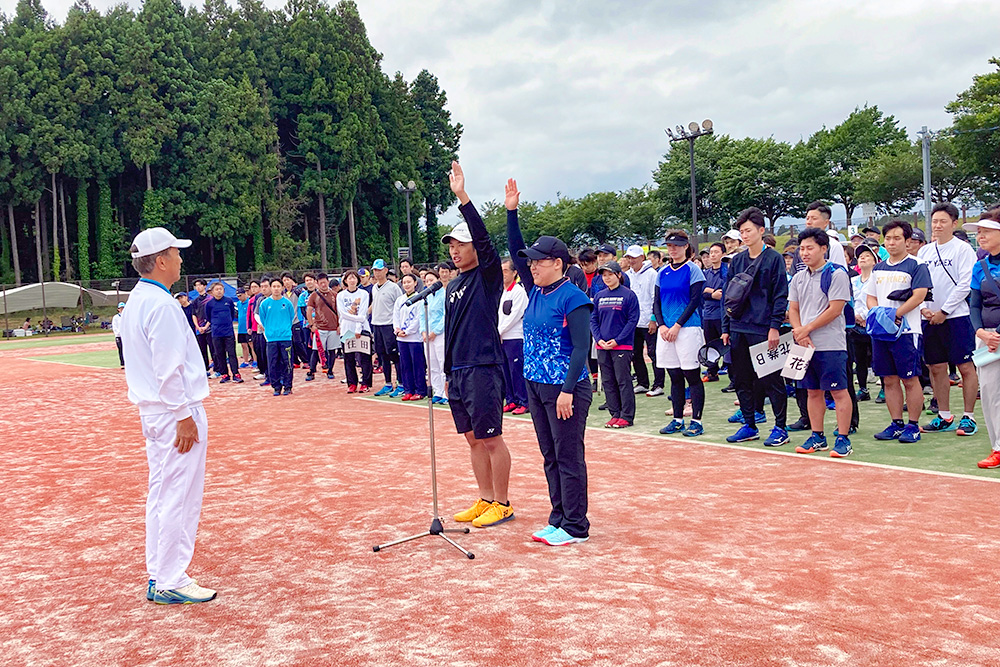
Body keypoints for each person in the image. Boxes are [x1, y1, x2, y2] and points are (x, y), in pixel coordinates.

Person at [120, 227, 216, 604]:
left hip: (155, 412)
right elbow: (168, 368)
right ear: (160, 260)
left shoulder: (139, 300)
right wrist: (183, 415)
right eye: (176, 253)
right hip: (174, 411)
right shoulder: (160, 305)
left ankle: (160, 572)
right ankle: (171, 578)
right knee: (179, 494)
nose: (180, 259)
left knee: (162, 493)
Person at [507, 177, 593, 546]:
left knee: (568, 456)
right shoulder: (536, 289)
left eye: (539, 262)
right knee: (550, 455)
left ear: (557, 263)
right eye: (531, 264)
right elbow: (514, 250)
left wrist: (568, 390)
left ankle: (576, 526)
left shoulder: (572, 297)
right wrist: (512, 212)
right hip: (536, 383)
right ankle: (558, 517)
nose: (532, 268)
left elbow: (579, 348)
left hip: (566, 388)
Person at [443, 163, 514, 530]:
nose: (455, 251)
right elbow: (451, 331)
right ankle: (484, 497)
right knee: (472, 439)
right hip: (458, 372)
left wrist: (462, 197)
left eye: (461, 244)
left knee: (491, 438)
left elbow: (486, 241)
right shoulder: (453, 286)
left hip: (484, 367)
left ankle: (502, 503)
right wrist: (446, 373)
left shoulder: (487, 277)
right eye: (451, 245)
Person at [721, 207, 790, 446]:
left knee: (771, 380)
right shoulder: (737, 260)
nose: (745, 235)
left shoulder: (774, 259)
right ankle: (749, 424)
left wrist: (774, 326)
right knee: (742, 379)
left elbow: (781, 295)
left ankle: (780, 427)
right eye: (742, 231)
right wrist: (726, 327)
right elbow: (727, 298)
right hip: (738, 327)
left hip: (763, 328)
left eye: (748, 230)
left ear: (761, 231)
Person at [787, 228, 854, 457]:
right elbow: (793, 308)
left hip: (830, 344)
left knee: (838, 392)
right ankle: (817, 436)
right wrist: (799, 331)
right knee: (812, 392)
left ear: (823, 249)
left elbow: (835, 309)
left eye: (810, 248)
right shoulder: (798, 277)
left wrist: (807, 328)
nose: (804, 253)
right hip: (804, 345)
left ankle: (843, 439)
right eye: (802, 248)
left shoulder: (837, 274)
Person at [864, 220, 932, 443]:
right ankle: (896, 423)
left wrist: (896, 314)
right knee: (889, 379)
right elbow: (870, 296)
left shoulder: (917, 265)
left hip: (907, 332)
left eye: (897, 238)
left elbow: (919, 294)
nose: (891, 243)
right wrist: (879, 314)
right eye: (888, 238)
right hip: (881, 333)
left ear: (907, 240)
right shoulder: (879, 267)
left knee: (910, 379)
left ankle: (913, 425)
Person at [917, 203, 980, 435]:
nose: (937, 226)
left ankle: (969, 416)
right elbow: (919, 283)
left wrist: (944, 310)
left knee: (965, 366)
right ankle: (944, 415)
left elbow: (966, 283)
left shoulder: (963, 250)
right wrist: (924, 307)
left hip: (957, 317)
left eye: (943, 221)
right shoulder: (924, 252)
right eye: (934, 221)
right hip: (929, 319)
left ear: (954, 224)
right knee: (935, 367)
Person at [655, 231, 707, 438]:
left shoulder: (693, 270)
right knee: (674, 376)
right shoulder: (662, 272)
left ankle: (697, 421)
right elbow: (656, 301)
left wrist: (677, 325)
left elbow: (694, 301)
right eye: (669, 246)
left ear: (686, 246)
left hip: (688, 329)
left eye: (677, 245)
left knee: (692, 375)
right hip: (666, 331)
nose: (672, 249)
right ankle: (677, 419)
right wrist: (661, 325)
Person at [967, 213, 1000, 468]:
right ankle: (997, 448)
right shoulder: (980, 266)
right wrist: (981, 333)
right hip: (988, 340)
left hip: (996, 336)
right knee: (990, 393)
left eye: (986, 231)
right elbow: (975, 304)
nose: (981, 236)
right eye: (979, 232)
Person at [591, 260, 639, 428]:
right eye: (604, 275)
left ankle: (626, 415)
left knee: (623, 380)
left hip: (621, 346)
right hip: (602, 346)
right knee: (608, 381)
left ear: (619, 275)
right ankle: (615, 413)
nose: (607, 278)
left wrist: (617, 340)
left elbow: (632, 320)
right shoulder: (599, 296)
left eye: (610, 274)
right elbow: (593, 319)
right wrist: (599, 339)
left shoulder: (629, 295)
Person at [623, 245, 662, 397]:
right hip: (633, 321)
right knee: (635, 353)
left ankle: (658, 384)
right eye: (629, 257)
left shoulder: (652, 274)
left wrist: (654, 319)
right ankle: (642, 382)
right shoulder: (627, 275)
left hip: (648, 320)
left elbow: (655, 297)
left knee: (653, 352)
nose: (631, 260)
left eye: (634, 257)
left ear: (642, 258)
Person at [370, 259, 405, 397]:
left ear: (385, 270)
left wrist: (399, 325)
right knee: (382, 355)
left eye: (379, 270)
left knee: (394, 356)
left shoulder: (394, 287)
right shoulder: (374, 288)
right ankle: (388, 383)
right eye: (374, 270)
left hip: (389, 325)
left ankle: (401, 384)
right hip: (377, 325)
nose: (376, 273)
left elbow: (400, 305)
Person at [498, 260, 529, 414]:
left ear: (514, 273)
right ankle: (511, 400)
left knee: (517, 370)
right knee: (505, 371)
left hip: (515, 337)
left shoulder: (519, 292)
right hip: (501, 338)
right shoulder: (501, 292)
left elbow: (515, 315)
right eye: (501, 270)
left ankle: (524, 401)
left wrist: (500, 331)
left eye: (505, 270)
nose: (503, 274)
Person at [257, 277, 296, 396]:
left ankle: (288, 386)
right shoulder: (265, 303)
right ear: (270, 288)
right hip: (271, 338)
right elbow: (263, 319)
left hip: (285, 338)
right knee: (273, 363)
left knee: (287, 363)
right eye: (274, 286)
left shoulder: (287, 303)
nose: (276, 289)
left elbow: (291, 317)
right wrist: (270, 331)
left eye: (278, 286)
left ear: (282, 288)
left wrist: (284, 329)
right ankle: (276, 386)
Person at [337, 270, 373, 393]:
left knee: (365, 358)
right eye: (349, 278)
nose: (352, 280)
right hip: (346, 330)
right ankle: (352, 383)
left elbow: (363, 313)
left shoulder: (363, 294)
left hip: (362, 329)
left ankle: (366, 383)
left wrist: (358, 328)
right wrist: (357, 318)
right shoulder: (340, 295)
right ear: (345, 281)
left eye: (354, 278)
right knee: (348, 358)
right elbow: (342, 313)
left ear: (358, 280)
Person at [392, 272, 426, 400]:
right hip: (401, 338)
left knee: (417, 364)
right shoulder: (399, 300)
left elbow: (418, 318)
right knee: (405, 365)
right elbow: (395, 316)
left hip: (414, 338)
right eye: (404, 282)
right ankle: (408, 390)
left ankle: (420, 390)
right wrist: (398, 330)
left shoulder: (419, 298)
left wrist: (408, 331)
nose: (406, 285)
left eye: (409, 282)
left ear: (415, 283)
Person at [851, 243, 876, 402]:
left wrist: (866, 316)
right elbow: (849, 300)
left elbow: (878, 300)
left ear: (875, 261)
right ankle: (863, 388)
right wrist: (855, 316)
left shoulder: (878, 279)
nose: (863, 259)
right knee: (859, 359)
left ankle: (883, 390)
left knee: (876, 357)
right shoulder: (853, 280)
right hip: (856, 325)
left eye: (867, 256)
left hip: (873, 323)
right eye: (860, 257)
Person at [419, 269, 448, 405]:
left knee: (442, 363)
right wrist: (424, 331)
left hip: (440, 334)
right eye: (427, 281)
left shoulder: (445, 295)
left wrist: (435, 332)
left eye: (432, 280)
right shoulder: (426, 297)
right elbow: (421, 315)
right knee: (432, 365)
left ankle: (446, 393)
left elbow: (445, 316)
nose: (429, 283)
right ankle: (437, 391)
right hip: (427, 335)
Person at [204, 282, 241, 384]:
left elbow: (232, 314)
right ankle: (224, 374)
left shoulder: (228, 301)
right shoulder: (209, 304)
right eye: (216, 289)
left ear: (224, 291)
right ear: (212, 292)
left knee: (232, 353)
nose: (219, 291)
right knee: (219, 354)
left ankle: (236, 374)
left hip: (228, 332)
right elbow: (208, 317)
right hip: (216, 333)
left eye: (220, 289)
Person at [306, 273, 341, 381]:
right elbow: (309, 310)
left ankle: (330, 370)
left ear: (328, 282)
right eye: (320, 283)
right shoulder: (314, 296)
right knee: (316, 350)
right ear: (317, 283)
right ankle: (311, 371)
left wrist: (339, 325)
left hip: (333, 327)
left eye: (324, 282)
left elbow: (339, 310)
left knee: (331, 350)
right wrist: (311, 324)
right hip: (320, 328)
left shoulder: (335, 295)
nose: (323, 284)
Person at [701, 242, 727, 382]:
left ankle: (733, 375)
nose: (713, 255)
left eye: (716, 252)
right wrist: (712, 292)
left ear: (723, 254)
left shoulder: (726, 272)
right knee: (710, 344)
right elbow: (702, 291)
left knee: (726, 344)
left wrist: (710, 292)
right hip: (708, 315)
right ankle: (712, 372)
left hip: (722, 314)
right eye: (711, 253)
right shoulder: (705, 273)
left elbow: (725, 291)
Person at [191, 279, 214, 374]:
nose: (198, 287)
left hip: (210, 328)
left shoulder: (210, 299)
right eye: (196, 285)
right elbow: (194, 315)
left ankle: (217, 369)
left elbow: (212, 314)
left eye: (200, 285)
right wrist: (198, 327)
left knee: (213, 349)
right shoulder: (195, 301)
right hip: (199, 329)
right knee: (202, 350)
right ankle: (205, 369)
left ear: (205, 286)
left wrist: (206, 326)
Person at [236, 288, 254, 369]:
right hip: (241, 328)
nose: (239, 297)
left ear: (245, 294)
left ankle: (255, 361)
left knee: (251, 344)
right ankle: (246, 361)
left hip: (248, 327)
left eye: (240, 295)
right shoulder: (238, 304)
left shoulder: (249, 302)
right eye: (238, 296)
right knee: (243, 345)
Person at [112, 302, 125, 369]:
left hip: (126, 336)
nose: (122, 309)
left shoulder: (127, 316)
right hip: (119, 336)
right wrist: (118, 334)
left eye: (123, 308)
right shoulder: (116, 317)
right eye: (121, 308)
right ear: (118, 309)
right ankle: (122, 363)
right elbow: (115, 327)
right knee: (120, 349)